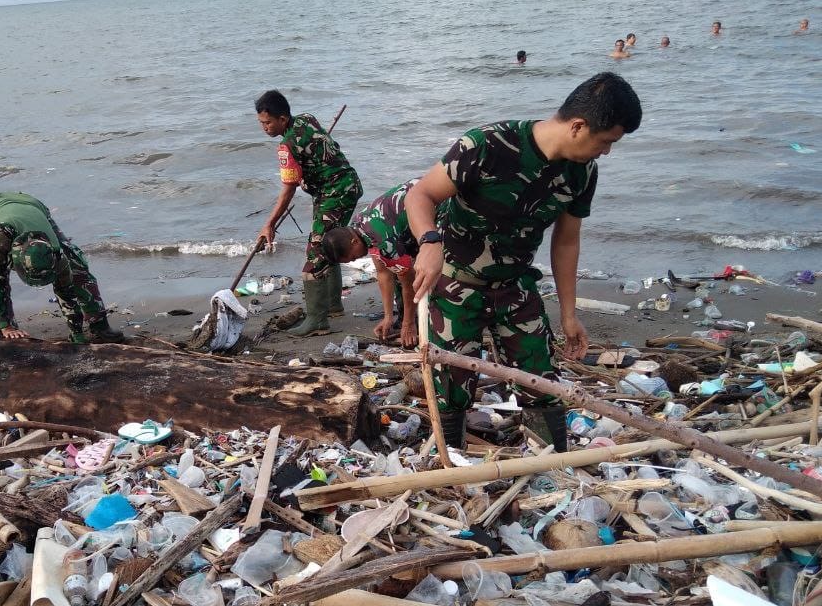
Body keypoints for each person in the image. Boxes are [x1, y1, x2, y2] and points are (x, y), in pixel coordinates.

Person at [405, 72, 643, 452]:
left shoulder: (582, 171)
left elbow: (566, 240)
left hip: (516, 288)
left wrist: (569, 313)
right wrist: (429, 241)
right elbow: (421, 195)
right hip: (456, 283)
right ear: (579, 127)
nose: (607, 152)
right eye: (607, 141)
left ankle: (550, 467)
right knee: (450, 387)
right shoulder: (485, 145)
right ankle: (450, 470)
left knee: (543, 383)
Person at [254, 90, 363, 336]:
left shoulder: (286, 146)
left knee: (315, 253)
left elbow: (288, 190)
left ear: (283, 119)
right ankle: (333, 305)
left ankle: (317, 320)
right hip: (350, 184)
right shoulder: (307, 118)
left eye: (268, 122)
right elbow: (327, 148)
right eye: (261, 123)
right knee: (330, 242)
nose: (265, 128)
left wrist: (269, 224)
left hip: (333, 194)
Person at [0, 191, 124, 343]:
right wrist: (5, 325)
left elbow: (66, 292)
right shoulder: (2, 238)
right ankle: (1, 329)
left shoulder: (57, 253)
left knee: (77, 267)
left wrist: (77, 333)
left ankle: (99, 324)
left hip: (33, 206)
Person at [320, 179, 441, 347]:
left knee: (432, 275)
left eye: (352, 257)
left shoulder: (383, 240)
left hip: (437, 205)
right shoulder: (359, 225)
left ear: (354, 242)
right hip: (417, 196)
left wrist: (409, 324)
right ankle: (407, 319)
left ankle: (426, 323)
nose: (356, 260)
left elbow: (409, 283)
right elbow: (383, 273)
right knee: (398, 266)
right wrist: (387, 317)